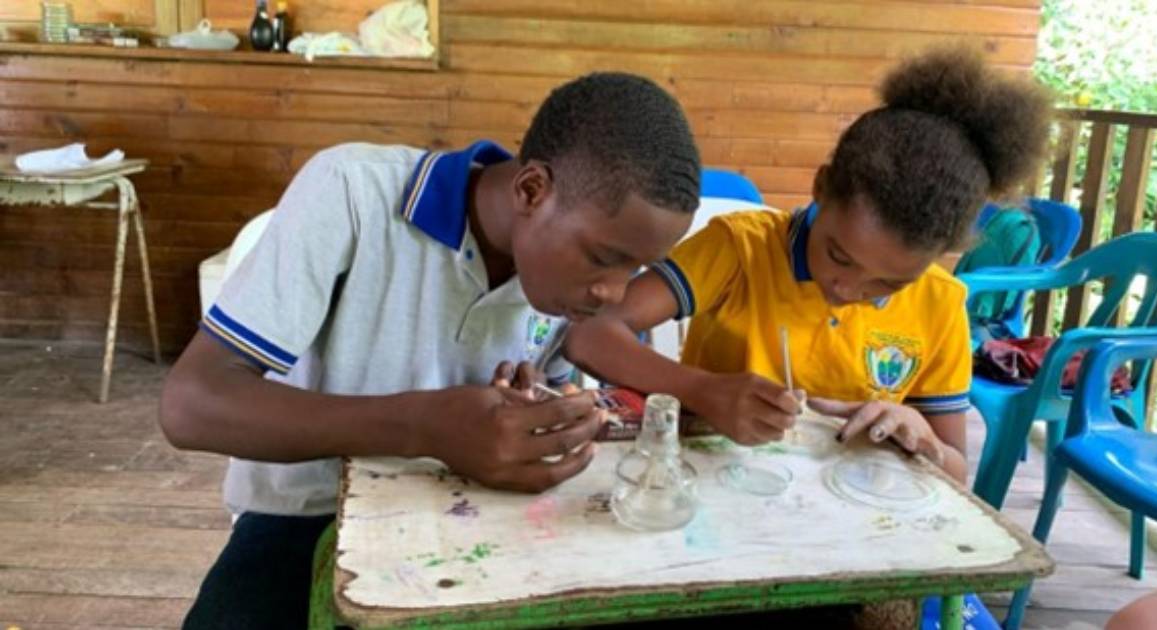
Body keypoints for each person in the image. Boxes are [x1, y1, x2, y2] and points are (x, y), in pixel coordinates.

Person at [158, 72, 702, 629]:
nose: (613, 292)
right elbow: (191, 404)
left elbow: (552, 388)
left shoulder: (565, 289)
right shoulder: (353, 192)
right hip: (307, 520)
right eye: (602, 258)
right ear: (532, 191)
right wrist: (425, 427)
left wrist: (533, 415)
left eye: (633, 270)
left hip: (480, 518)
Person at [565, 46, 1053, 484]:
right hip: (716, 490)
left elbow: (955, 470)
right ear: (821, 187)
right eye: (839, 255)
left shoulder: (939, 304)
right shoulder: (741, 250)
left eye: (890, 282)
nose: (847, 288)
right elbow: (588, 335)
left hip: (846, 523)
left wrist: (921, 436)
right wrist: (704, 390)